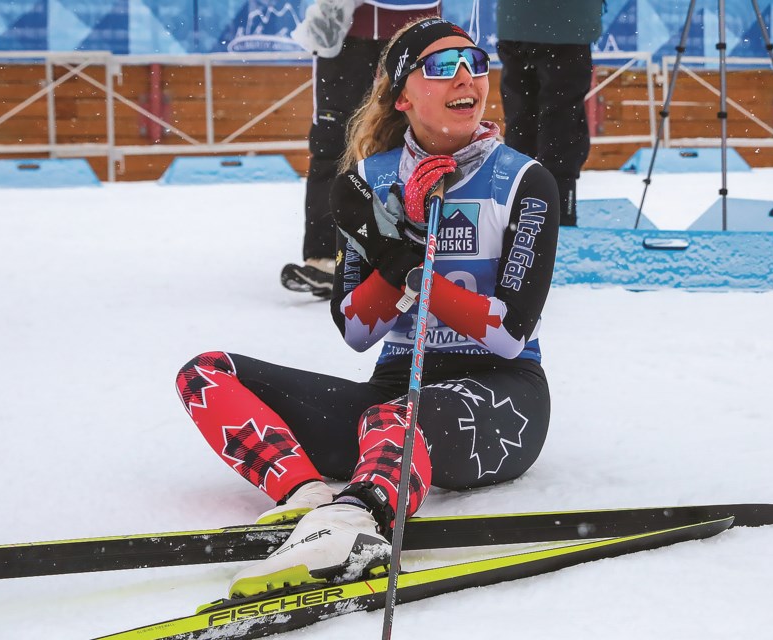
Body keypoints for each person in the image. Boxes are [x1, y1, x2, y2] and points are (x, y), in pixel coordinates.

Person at [176, 17, 559, 599]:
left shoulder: (523, 181)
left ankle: (356, 524)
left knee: (394, 418)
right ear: (403, 95)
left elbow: (508, 332)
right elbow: (356, 329)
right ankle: (311, 502)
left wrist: (410, 267)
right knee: (206, 375)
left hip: (505, 395)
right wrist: (387, 257)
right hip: (395, 389)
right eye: (441, 66)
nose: (466, 76)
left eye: (475, 62)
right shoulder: (369, 184)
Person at [281, 0, 441, 299]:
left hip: (413, 32)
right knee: (333, 145)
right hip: (345, 34)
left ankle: (410, 256)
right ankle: (326, 258)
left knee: (413, 141)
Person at [496, 0, 606, 226]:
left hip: (515, 20)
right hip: (567, 22)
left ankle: (518, 211)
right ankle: (558, 214)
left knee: (521, 119)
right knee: (561, 121)